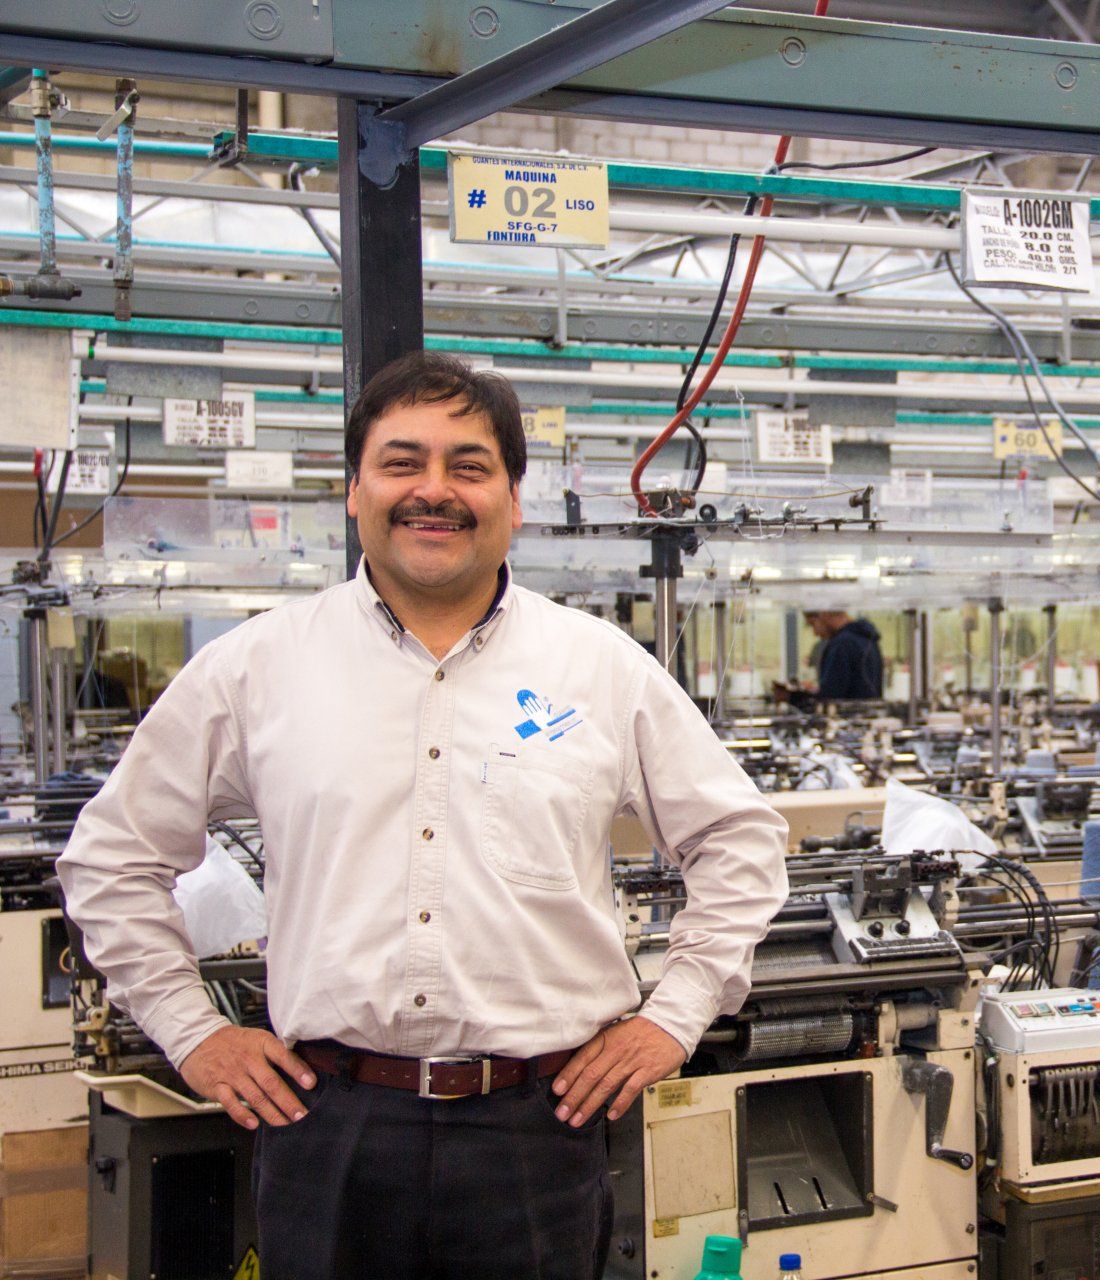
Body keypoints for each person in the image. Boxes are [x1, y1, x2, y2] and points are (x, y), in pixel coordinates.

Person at [57, 351, 789, 1280]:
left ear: (513, 500)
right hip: (327, 1121)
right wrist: (192, 1031)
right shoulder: (257, 669)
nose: (433, 491)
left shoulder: (600, 667)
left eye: (468, 466)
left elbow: (741, 841)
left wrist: (674, 1017)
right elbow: (111, 857)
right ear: (354, 491)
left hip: (541, 1122)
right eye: (402, 463)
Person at [775, 610, 886, 706]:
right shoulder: (867, 638)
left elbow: (830, 698)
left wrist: (792, 697)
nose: (815, 633)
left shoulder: (841, 644)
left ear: (824, 614)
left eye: (813, 624)